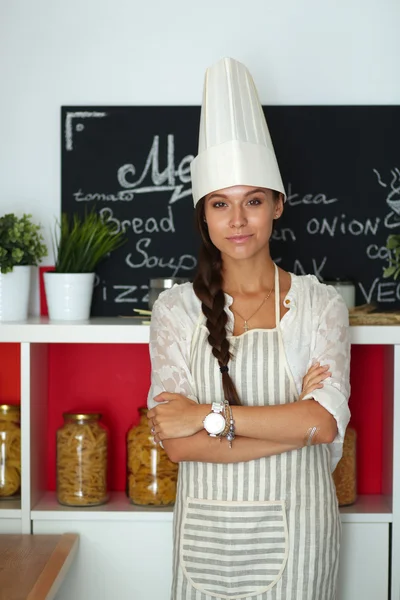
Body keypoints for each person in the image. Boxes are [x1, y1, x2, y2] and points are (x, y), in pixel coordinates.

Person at [147, 57, 351, 600]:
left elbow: (325, 428)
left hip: (303, 541)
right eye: (221, 204)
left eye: (253, 201)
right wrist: (292, 429)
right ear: (205, 216)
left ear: (278, 205)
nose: (237, 221)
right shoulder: (175, 311)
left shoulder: (320, 305)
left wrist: (206, 417)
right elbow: (177, 446)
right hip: (205, 543)